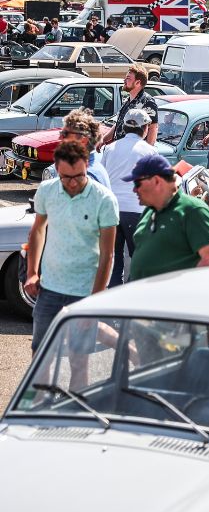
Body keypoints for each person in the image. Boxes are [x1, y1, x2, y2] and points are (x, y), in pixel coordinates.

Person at [25, 142, 119, 365]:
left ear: (87, 164)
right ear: (57, 169)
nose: (73, 183)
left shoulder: (104, 199)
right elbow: (38, 229)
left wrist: (95, 300)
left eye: (79, 175)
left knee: (78, 361)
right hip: (49, 290)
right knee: (41, 357)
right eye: (66, 177)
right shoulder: (47, 191)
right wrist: (32, 272)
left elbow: (108, 254)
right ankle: (39, 399)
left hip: (84, 293)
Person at [126, 154, 209, 281]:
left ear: (156, 181)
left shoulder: (192, 210)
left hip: (170, 298)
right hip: (141, 296)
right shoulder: (149, 211)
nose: (134, 190)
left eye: (138, 183)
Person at [101, 109, 157, 287]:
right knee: (140, 261)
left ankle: (113, 301)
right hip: (137, 211)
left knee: (113, 261)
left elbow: (102, 179)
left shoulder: (109, 149)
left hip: (111, 211)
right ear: (145, 128)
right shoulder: (149, 151)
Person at [103, 67, 159, 146]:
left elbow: (153, 128)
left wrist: (147, 152)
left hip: (135, 152)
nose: (124, 80)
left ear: (137, 83)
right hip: (121, 148)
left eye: (128, 78)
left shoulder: (148, 102)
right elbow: (119, 123)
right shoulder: (127, 100)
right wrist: (103, 140)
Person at [59, 109, 111, 188]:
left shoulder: (86, 177)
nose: (60, 137)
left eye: (65, 134)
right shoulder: (92, 168)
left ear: (83, 140)